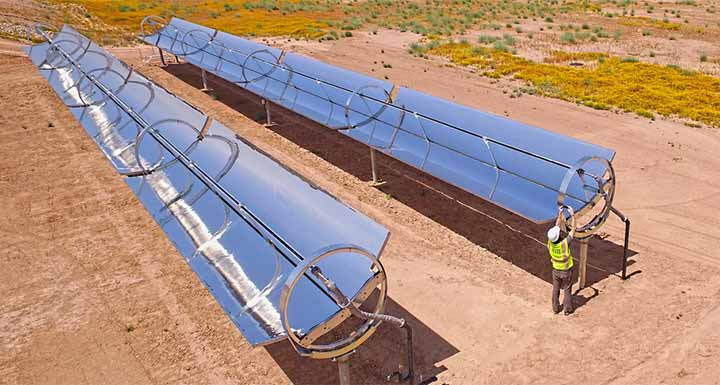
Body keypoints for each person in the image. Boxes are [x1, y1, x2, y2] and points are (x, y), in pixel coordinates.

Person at [547, 205, 576, 315]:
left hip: (555, 270)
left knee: (556, 289)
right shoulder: (564, 243)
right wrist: (572, 215)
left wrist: (559, 214)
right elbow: (573, 229)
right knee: (567, 290)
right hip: (566, 270)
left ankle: (555, 308)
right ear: (559, 235)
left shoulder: (550, 243)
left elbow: (556, 227)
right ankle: (567, 309)